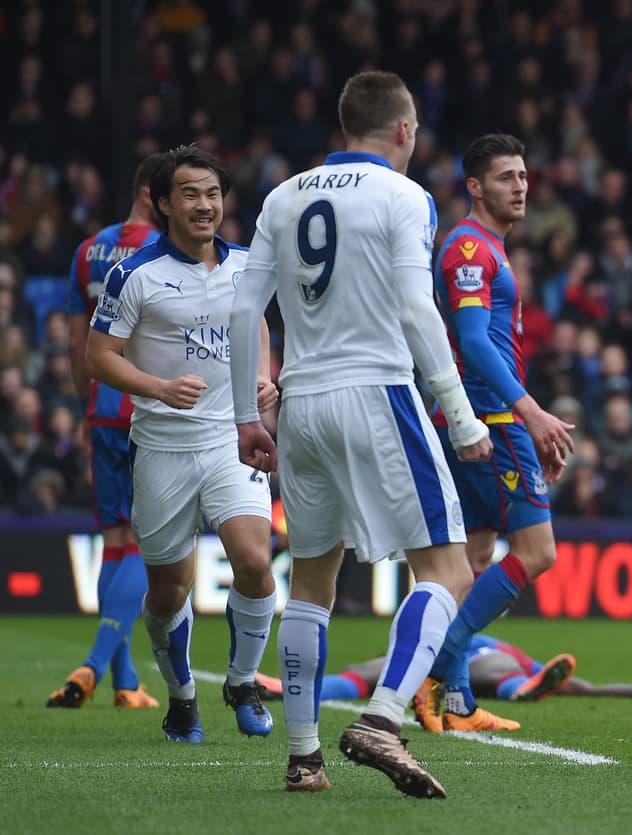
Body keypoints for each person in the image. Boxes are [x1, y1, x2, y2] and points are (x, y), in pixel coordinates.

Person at [230, 70, 491, 798]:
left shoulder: (284, 196)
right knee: (446, 569)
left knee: (312, 579)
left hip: (301, 400)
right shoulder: (405, 196)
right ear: (403, 130)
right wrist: (460, 412)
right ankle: (383, 714)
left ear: (347, 125)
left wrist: (246, 417)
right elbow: (416, 304)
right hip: (377, 390)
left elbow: (245, 306)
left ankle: (304, 756)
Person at [86, 145, 280, 744]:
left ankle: (243, 682)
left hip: (230, 438)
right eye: (190, 194)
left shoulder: (249, 265)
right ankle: (181, 697)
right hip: (163, 447)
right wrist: (159, 387)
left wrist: (263, 378)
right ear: (164, 202)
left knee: (254, 561)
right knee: (169, 587)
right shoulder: (134, 273)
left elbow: (260, 326)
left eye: (213, 194)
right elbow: (98, 357)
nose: (204, 205)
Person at [413, 133, 575, 734]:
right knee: (538, 552)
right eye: (507, 177)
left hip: (478, 420)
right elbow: (475, 340)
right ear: (475, 186)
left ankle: (455, 704)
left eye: (524, 176)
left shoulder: (483, 248)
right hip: (490, 421)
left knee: (476, 557)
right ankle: (440, 663)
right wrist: (529, 412)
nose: (521, 186)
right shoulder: (469, 249)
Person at [47, 153, 164, 711]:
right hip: (146, 405)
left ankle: (124, 681)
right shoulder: (161, 253)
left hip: (101, 405)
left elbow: (75, 341)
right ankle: (95, 666)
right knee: (140, 541)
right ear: (151, 193)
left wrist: (84, 397)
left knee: (115, 541)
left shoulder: (88, 249)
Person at [253, 633, 632, 707]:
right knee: (376, 668)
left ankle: (291, 688)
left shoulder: (494, 646)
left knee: (376, 670)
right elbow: (578, 686)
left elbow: (578, 686)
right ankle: (522, 690)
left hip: (465, 658)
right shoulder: (497, 644)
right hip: (482, 660)